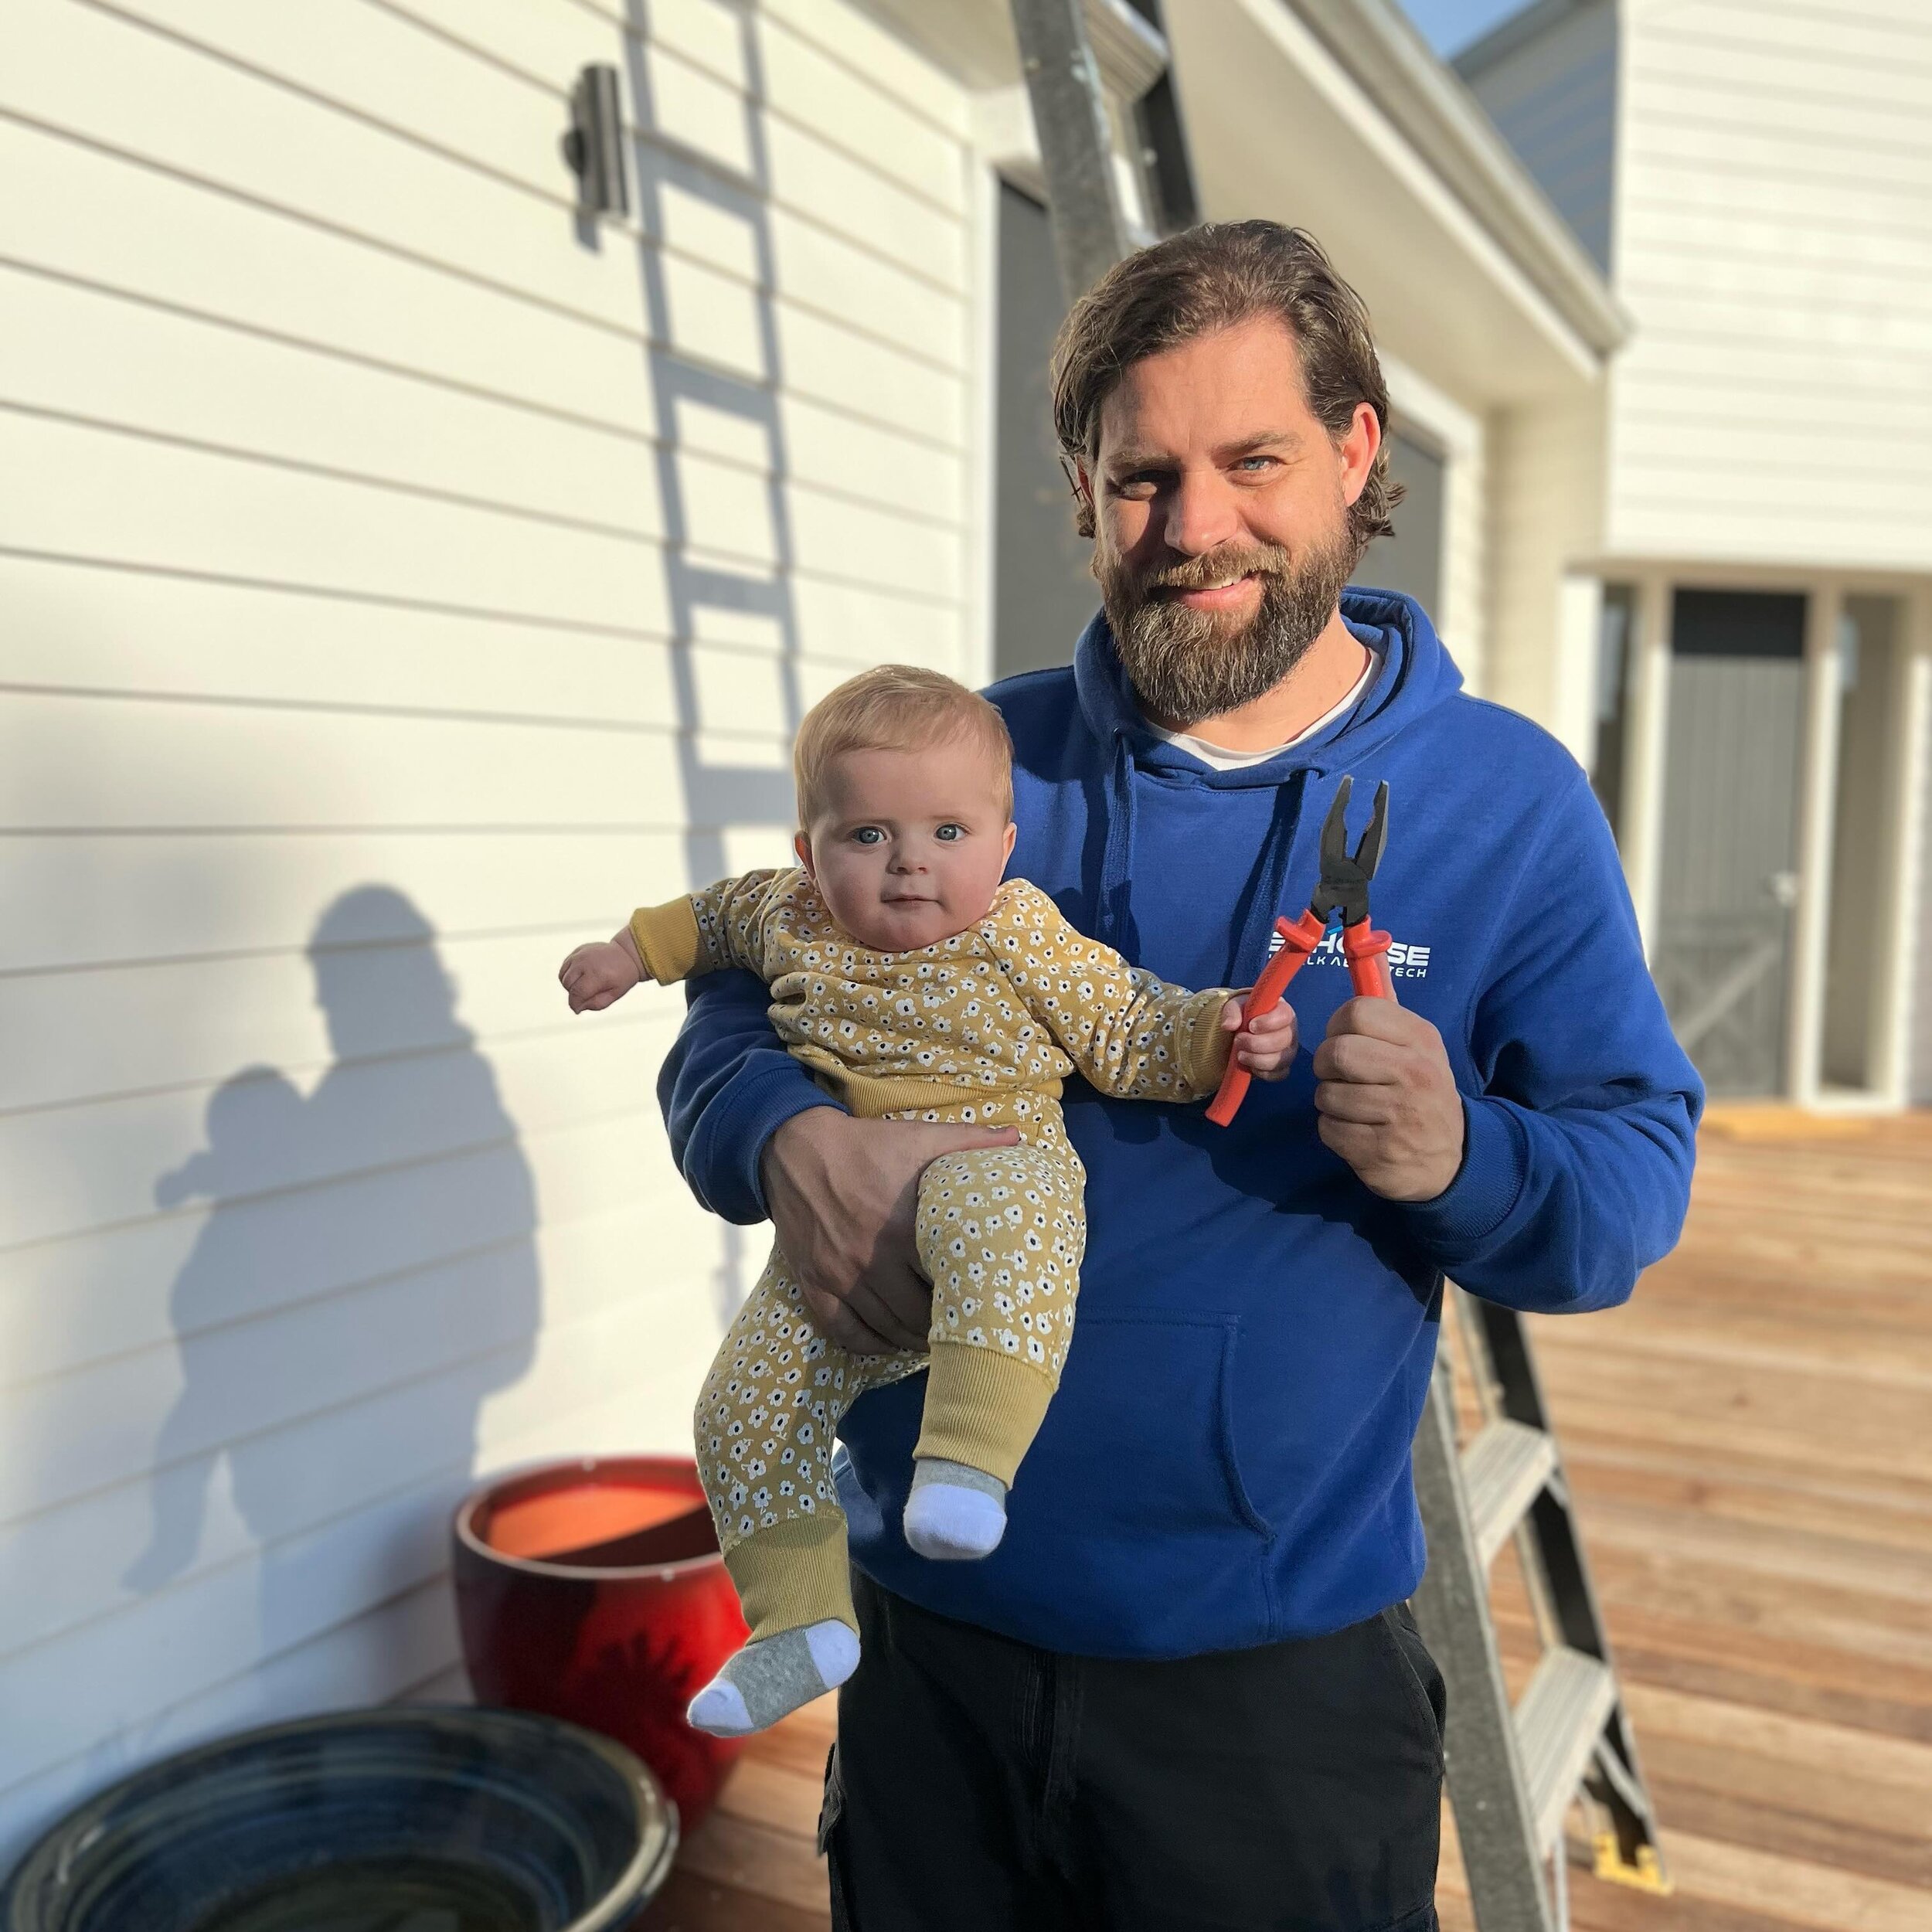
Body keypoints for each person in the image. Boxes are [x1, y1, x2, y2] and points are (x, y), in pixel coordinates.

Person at [658, 223, 1702, 1931]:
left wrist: (1462, 1153)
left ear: (1356, 452)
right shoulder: (966, 763)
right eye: (1142, 474)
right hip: (936, 1643)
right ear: (1080, 487)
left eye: (1252, 460)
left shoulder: (1503, 801)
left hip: (1272, 1691)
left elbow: (1622, 1190)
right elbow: (729, 1001)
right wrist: (781, 1138)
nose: (1194, 525)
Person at [559, 665, 1296, 1737]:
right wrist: (625, 954)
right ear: (809, 851)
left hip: (995, 1156)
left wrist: (1223, 1030)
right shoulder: (786, 912)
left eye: (949, 833)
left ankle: (966, 1466)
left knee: (1007, 1229)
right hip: (840, 1232)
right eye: (868, 838)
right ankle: (799, 1627)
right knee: (739, 1410)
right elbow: (705, 922)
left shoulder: (1017, 931)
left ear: (1003, 847)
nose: (911, 862)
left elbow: (1129, 1025)